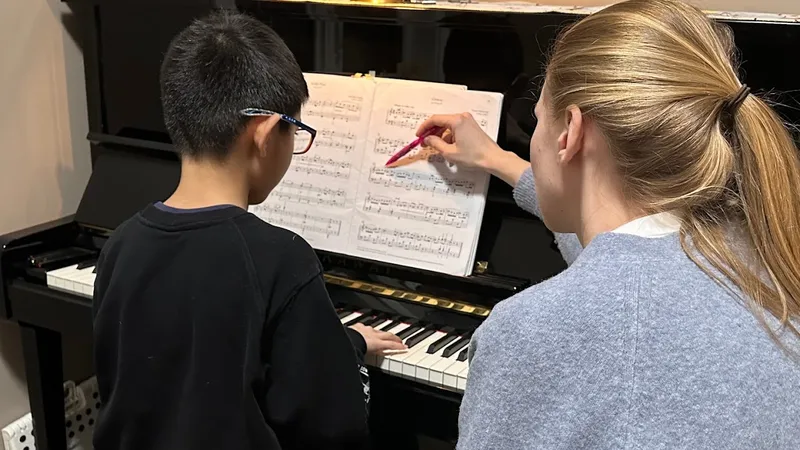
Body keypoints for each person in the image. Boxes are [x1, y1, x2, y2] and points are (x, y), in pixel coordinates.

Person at [417, 0, 800, 448]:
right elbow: (622, 263)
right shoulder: (765, 254)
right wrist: (498, 160)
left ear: (571, 132)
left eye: (537, 119)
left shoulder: (534, 332)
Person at [91, 11, 404, 450]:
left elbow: (196, 358)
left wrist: (341, 342)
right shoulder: (280, 259)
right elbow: (333, 426)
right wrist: (344, 361)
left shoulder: (121, 244)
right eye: (296, 131)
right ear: (267, 132)